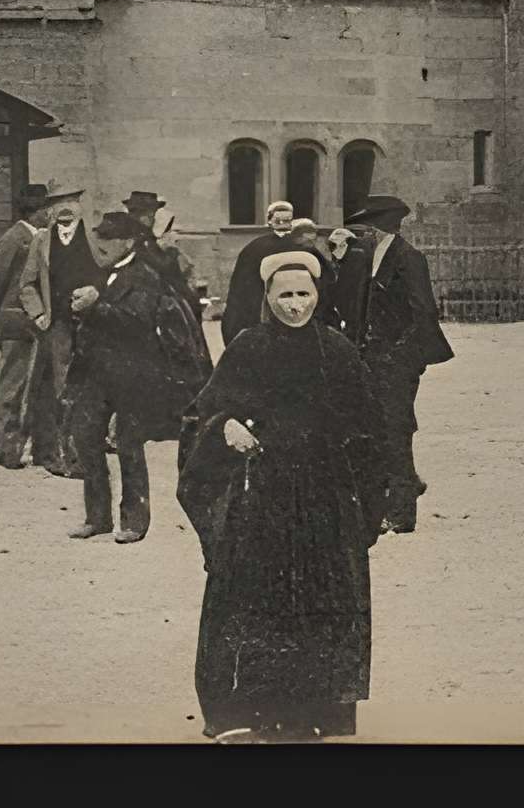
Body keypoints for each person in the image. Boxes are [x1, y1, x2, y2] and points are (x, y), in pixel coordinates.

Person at [177, 252, 391, 741]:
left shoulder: (337, 351)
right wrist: (224, 428)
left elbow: (370, 430)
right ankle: (247, 713)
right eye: (285, 296)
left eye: (304, 295)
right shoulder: (247, 348)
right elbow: (200, 415)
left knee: (319, 605)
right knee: (256, 603)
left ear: (318, 297)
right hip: (260, 502)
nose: (295, 306)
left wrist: (365, 506)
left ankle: (312, 714)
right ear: (267, 299)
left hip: (323, 503)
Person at [63, 211, 206, 542]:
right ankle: (96, 517)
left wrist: (94, 308)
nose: (101, 245)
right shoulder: (101, 274)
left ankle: (133, 521)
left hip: (133, 375)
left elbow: (137, 323)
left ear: (127, 242)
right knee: (86, 439)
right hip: (96, 373)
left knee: (129, 445)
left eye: (108, 239)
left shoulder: (145, 276)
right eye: (100, 238)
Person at [332, 197, 452, 532]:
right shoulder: (371, 257)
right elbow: (351, 302)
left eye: (367, 228)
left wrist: (402, 358)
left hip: (396, 362)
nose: (362, 234)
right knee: (377, 429)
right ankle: (399, 489)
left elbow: (424, 313)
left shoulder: (408, 258)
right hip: (371, 359)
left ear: (378, 228)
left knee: (396, 430)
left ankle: (402, 513)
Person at [0, 185, 57, 469]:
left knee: (35, 388)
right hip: (15, 323)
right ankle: (4, 447)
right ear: (33, 212)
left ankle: (34, 447)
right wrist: (6, 311)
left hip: (35, 324)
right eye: (45, 209)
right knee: (12, 387)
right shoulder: (15, 238)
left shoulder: (39, 238)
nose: (49, 214)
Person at [32, 190, 103, 476]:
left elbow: (109, 275)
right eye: (56, 204)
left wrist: (96, 292)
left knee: (90, 388)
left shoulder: (96, 239)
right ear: (49, 210)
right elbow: (27, 283)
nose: (64, 210)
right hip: (58, 326)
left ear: (80, 207)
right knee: (61, 388)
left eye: (70, 203)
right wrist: (38, 313)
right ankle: (61, 456)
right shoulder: (41, 242)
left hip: (92, 324)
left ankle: (84, 454)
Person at [220, 200, 304, 356]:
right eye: (279, 220)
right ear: (271, 221)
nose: (282, 224)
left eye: (285, 220)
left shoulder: (254, 248)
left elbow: (239, 292)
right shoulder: (302, 247)